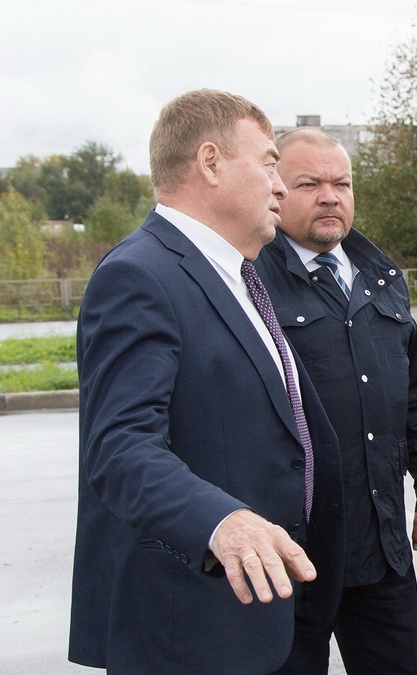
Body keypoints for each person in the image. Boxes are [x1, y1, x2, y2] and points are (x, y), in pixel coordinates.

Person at [69, 89, 346, 673]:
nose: (279, 184)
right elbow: (119, 448)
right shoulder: (138, 276)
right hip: (193, 629)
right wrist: (221, 521)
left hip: (271, 613)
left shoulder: (237, 274)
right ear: (211, 161)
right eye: (269, 163)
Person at [252, 127, 417, 674]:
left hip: (379, 544)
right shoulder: (249, 279)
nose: (329, 196)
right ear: (275, 187)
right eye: (309, 183)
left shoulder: (381, 276)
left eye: (341, 183)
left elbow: (415, 394)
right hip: (291, 552)